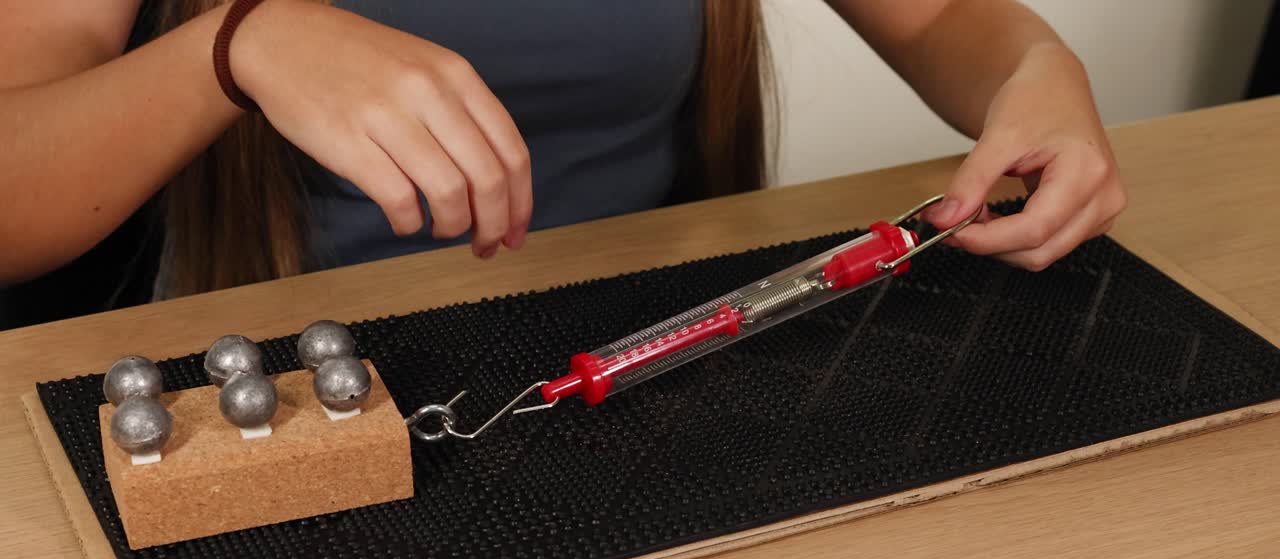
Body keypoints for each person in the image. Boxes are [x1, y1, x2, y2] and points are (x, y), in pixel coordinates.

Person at [0, 0, 1125, 328]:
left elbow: (944, 20)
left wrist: (1040, 69)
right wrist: (233, 48)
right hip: (290, 393)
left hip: (646, 366)